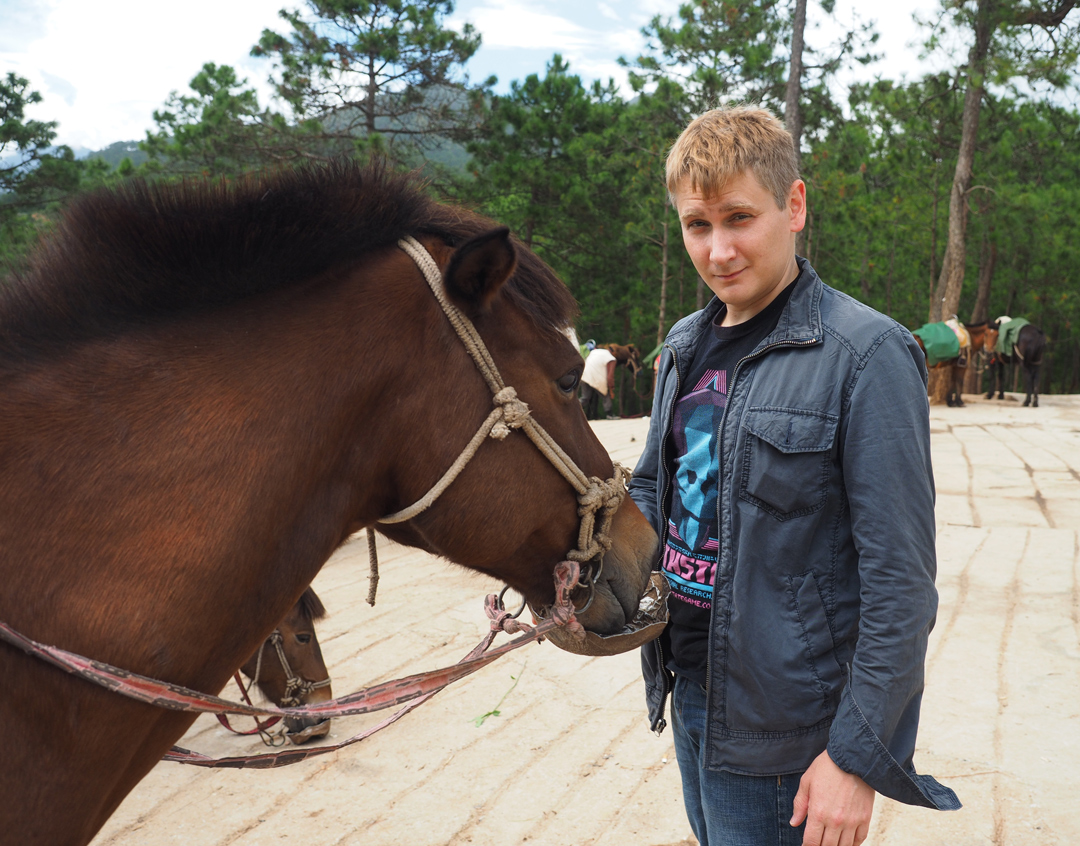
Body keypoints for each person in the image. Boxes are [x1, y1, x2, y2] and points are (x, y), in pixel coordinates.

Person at [627, 105, 960, 846]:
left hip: (791, 739)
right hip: (692, 695)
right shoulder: (684, 343)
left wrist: (855, 756)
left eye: (739, 218)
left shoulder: (866, 357)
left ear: (795, 206)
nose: (718, 251)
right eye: (697, 225)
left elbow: (901, 585)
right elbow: (653, 489)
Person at [580, 344, 617, 419]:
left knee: (585, 397)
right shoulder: (611, 358)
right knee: (605, 395)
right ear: (613, 353)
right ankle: (610, 414)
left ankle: (570, 409)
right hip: (596, 377)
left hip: (584, 374)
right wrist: (611, 389)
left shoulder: (595, 351)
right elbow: (610, 377)